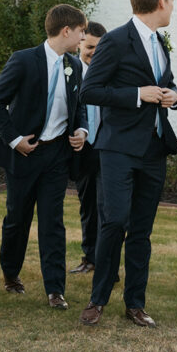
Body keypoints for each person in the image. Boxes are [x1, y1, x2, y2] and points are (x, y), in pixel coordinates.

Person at [79, 0, 177, 328]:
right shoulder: (115, 40)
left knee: (141, 230)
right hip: (119, 148)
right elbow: (90, 91)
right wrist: (138, 94)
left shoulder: (160, 42)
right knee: (115, 222)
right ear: (160, 2)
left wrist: (174, 96)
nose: (173, 5)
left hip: (153, 149)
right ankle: (97, 300)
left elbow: (166, 83)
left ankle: (135, 303)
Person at [0, 5, 88, 310]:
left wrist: (81, 130)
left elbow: (79, 105)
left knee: (52, 221)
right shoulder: (23, 60)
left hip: (57, 155)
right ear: (66, 31)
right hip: (24, 153)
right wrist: (15, 140)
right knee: (17, 219)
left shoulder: (75, 66)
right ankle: (10, 271)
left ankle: (55, 289)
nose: (84, 37)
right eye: (81, 31)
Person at [70, 21, 106, 276]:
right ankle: (89, 257)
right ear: (80, 44)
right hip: (82, 148)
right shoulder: (71, 72)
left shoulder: (109, 73)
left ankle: (106, 259)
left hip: (107, 147)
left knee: (108, 206)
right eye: (90, 46)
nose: (94, 52)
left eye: (98, 47)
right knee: (88, 205)